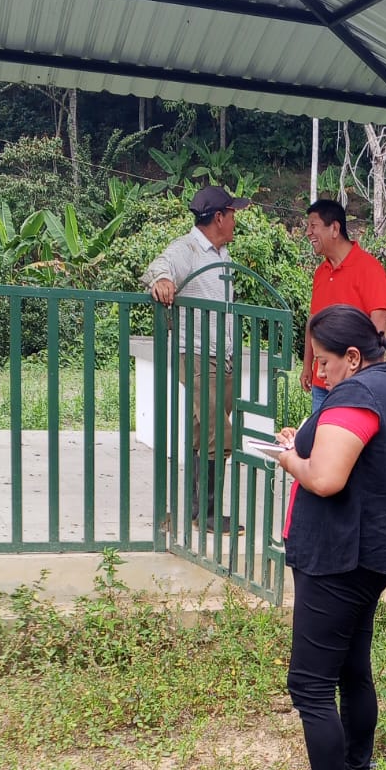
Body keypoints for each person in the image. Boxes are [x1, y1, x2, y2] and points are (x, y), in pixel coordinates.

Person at [267, 305, 386, 770]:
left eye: (325, 361)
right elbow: (345, 456)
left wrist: (289, 458)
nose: (318, 373)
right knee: (352, 668)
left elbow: (327, 478)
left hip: (338, 558)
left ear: (353, 357)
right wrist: (305, 442)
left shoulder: (357, 395)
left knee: (310, 685)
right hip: (365, 556)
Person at [143, 183, 249, 528]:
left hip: (223, 355)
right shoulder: (187, 248)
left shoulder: (222, 255)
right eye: (231, 213)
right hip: (198, 354)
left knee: (202, 431)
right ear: (218, 217)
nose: (235, 220)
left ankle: (193, 510)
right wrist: (162, 280)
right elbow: (160, 265)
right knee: (221, 433)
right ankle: (209, 514)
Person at [303, 200, 386, 415]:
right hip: (322, 381)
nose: (308, 232)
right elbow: (313, 322)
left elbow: (379, 320)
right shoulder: (321, 272)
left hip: (354, 382)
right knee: (320, 433)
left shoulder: (369, 268)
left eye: (313, 226)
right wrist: (307, 365)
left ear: (334, 228)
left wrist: (366, 373)